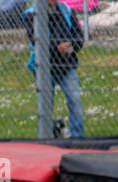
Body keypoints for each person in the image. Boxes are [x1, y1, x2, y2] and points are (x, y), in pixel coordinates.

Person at [23, 1, 85, 139]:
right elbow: (36, 41)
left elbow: (79, 37)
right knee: (46, 105)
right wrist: (57, 46)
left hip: (66, 65)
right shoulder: (31, 14)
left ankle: (77, 136)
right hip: (44, 67)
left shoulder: (66, 11)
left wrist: (71, 46)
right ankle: (48, 135)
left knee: (74, 100)